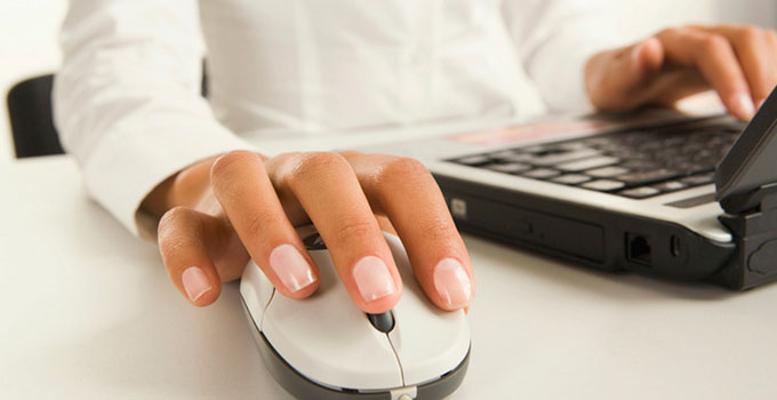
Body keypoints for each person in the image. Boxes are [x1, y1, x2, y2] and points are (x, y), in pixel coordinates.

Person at [54, 1, 777, 314]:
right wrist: (204, 174)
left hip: (523, 148)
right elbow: (115, 69)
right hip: (300, 184)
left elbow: (553, 34)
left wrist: (613, 70)